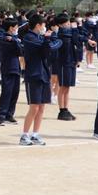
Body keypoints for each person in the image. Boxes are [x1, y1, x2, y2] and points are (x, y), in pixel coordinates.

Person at [20, 14, 62, 146]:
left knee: (42, 107)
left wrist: (51, 38)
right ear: (38, 25)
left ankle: (35, 134)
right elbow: (48, 47)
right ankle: (24, 135)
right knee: (34, 107)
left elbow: (55, 45)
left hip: (44, 75)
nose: (45, 27)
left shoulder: (41, 38)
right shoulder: (29, 38)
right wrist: (49, 40)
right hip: (33, 76)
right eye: (43, 25)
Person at [0, 18, 23, 126]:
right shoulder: (4, 39)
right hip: (8, 68)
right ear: (11, 28)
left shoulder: (14, 38)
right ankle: (1, 116)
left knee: (14, 92)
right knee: (7, 92)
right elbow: (18, 50)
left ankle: (9, 114)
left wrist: (15, 40)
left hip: (16, 68)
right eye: (16, 27)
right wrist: (15, 41)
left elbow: (21, 52)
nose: (17, 29)